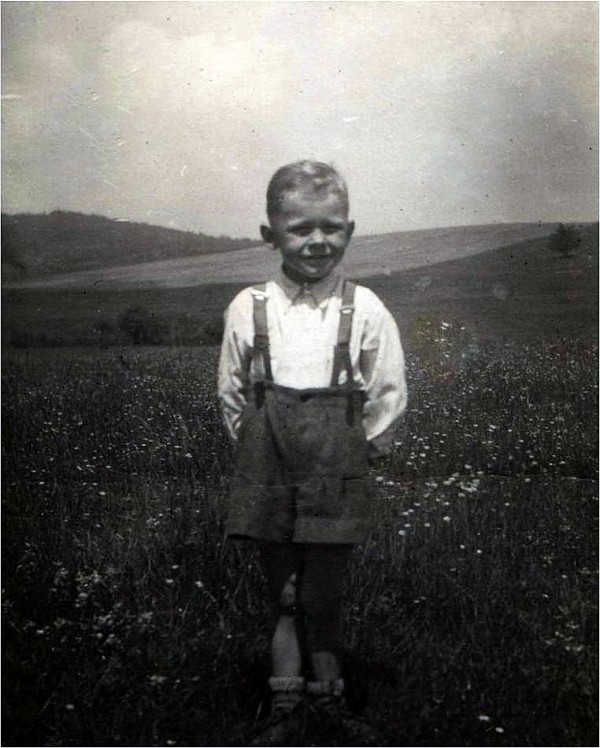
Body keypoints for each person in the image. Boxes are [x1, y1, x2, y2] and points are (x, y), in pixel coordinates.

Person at [218, 160, 407, 745]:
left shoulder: (365, 307)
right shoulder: (249, 306)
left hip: (337, 469)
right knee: (284, 592)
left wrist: (356, 452)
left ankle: (329, 700)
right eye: (300, 228)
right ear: (269, 234)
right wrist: (258, 450)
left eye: (331, 227)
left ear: (350, 231)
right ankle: (284, 703)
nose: (317, 241)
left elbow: (388, 393)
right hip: (268, 467)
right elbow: (232, 395)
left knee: (324, 592)